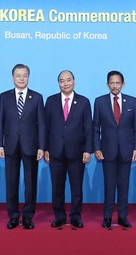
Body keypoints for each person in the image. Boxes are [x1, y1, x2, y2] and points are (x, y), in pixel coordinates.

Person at [0, 64, 46, 230]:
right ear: (13, 77)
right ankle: (13, 216)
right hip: (10, 145)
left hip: (31, 146)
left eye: (24, 75)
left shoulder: (37, 97)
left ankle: (28, 216)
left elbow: (42, 124)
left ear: (28, 77)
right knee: (11, 182)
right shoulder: (4, 97)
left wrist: (41, 146)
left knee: (30, 183)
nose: (21, 78)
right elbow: (0, 122)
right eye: (18, 75)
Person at [44, 70, 93, 228]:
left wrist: (88, 150)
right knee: (57, 187)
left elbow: (88, 128)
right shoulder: (51, 101)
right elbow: (45, 126)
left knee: (76, 187)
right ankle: (59, 216)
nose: (65, 83)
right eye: (62, 80)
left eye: (68, 80)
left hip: (77, 152)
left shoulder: (84, 102)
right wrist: (45, 148)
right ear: (58, 83)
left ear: (74, 81)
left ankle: (75, 216)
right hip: (55, 151)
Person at [93, 71, 136, 229]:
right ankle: (107, 217)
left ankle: (122, 217)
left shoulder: (132, 101)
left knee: (124, 186)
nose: (115, 86)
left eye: (117, 83)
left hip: (127, 150)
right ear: (107, 84)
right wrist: (97, 148)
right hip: (107, 150)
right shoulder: (99, 102)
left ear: (123, 84)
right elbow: (95, 128)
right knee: (109, 186)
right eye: (112, 83)